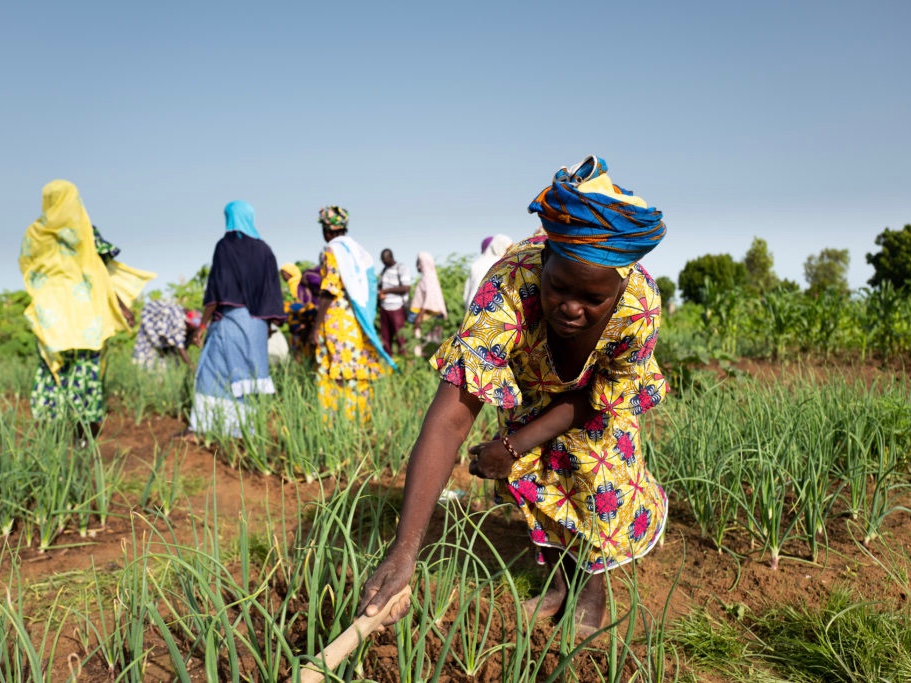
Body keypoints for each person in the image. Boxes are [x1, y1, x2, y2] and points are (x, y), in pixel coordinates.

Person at [359, 156, 669, 637]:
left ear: (620, 287)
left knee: (593, 476)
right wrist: (404, 552)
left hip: (596, 403)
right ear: (543, 262)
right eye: (559, 287)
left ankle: (590, 589)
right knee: (543, 484)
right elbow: (449, 419)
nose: (571, 307)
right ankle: (561, 582)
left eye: (593, 300)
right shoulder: (507, 287)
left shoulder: (639, 307)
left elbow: (597, 400)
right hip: (535, 386)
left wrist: (513, 444)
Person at [19, 180, 155, 441]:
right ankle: (82, 437)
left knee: (54, 371)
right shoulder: (86, 232)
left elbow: (29, 269)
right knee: (85, 373)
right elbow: (104, 268)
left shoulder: (34, 234)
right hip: (86, 318)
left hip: (51, 317)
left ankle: (53, 438)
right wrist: (122, 305)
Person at [187, 201, 286, 438]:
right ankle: (244, 431)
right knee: (249, 377)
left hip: (233, 321)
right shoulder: (265, 250)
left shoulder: (226, 246)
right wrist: (268, 326)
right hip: (258, 326)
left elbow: (217, 288)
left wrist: (202, 325)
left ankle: (203, 428)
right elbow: (271, 291)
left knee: (213, 371)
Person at [305, 206, 396, 421]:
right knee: (356, 367)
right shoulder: (359, 251)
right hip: (357, 319)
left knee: (336, 369)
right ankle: (359, 418)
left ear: (327, 231)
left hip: (337, 319)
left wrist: (315, 328)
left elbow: (329, 289)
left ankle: (335, 421)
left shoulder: (331, 249)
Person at [132, 301, 203, 371]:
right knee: (146, 361)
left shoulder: (185, 322)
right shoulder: (178, 324)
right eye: (195, 329)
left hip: (163, 329)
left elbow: (182, 341)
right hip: (150, 324)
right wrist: (191, 366)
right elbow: (181, 348)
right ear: (189, 325)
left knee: (170, 362)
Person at [409, 251, 448, 356]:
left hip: (426, 315)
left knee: (425, 345)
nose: (416, 265)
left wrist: (419, 317)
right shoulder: (429, 277)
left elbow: (429, 299)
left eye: (418, 262)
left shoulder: (428, 278)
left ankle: (424, 367)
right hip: (425, 314)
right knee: (427, 344)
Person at [280, 262, 321, 357]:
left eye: (284, 274)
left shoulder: (297, 283)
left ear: (291, 273)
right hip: (301, 317)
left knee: (301, 346)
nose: (283, 277)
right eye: (282, 275)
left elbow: (302, 303)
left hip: (303, 318)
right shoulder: (292, 284)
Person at [463, 234, 513, 309]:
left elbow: (467, 293)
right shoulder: (500, 264)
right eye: (508, 250)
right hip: (491, 309)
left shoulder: (476, 264)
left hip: (472, 308)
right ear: (499, 248)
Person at [377, 249, 412, 356]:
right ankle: (388, 361)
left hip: (397, 307)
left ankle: (405, 361)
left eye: (385, 260)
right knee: (385, 337)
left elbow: (406, 288)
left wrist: (386, 291)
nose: (384, 262)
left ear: (391, 257)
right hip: (385, 307)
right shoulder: (384, 270)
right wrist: (380, 292)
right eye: (382, 260)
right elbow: (380, 285)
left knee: (400, 337)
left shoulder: (401, 268)